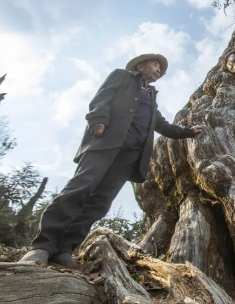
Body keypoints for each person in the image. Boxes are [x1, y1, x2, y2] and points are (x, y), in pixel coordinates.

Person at [19, 53, 203, 266]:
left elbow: (163, 126)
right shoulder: (121, 77)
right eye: (155, 64)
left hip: (129, 156)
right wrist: (98, 118)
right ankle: (43, 245)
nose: (159, 70)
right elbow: (102, 97)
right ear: (140, 66)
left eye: (161, 69)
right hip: (106, 142)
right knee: (79, 188)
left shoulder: (152, 97)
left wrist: (189, 132)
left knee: (100, 202)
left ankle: (64, 249)